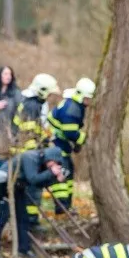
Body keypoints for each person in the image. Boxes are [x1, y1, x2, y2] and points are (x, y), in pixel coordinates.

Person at [0, 146, 67, 258]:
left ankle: (23, 250)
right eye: (54, 163)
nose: (54, 166)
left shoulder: (42, 164)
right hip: (4, 184)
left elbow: (39, 184)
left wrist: (55, 178)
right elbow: (32, 178)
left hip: (18, 186)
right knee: (2, 217)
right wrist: (50, 172)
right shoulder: (31, 157)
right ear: (50, 157)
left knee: (23, 218)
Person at [12, 73, 60, 231]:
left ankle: (31, 219)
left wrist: (46, 139)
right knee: (33, 186)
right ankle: (31, 221)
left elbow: (37, 131)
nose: (50, 97)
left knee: (33, 187)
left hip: (28, 152)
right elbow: (28, 135)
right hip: (27, 153)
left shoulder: (33, 104)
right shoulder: (32, 106)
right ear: (42, 91)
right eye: (49, 93)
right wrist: (40, 153)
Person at [47, 77, 96, 215]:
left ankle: (66, 206)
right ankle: (61, 208)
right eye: (87, 98)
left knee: (69, 173)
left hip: (60, 145)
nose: (89, 101)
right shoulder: (73, 109)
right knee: (62, 175)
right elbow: (70, 132)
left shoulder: (74, 104)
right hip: (56, 146)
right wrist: (83, 139)